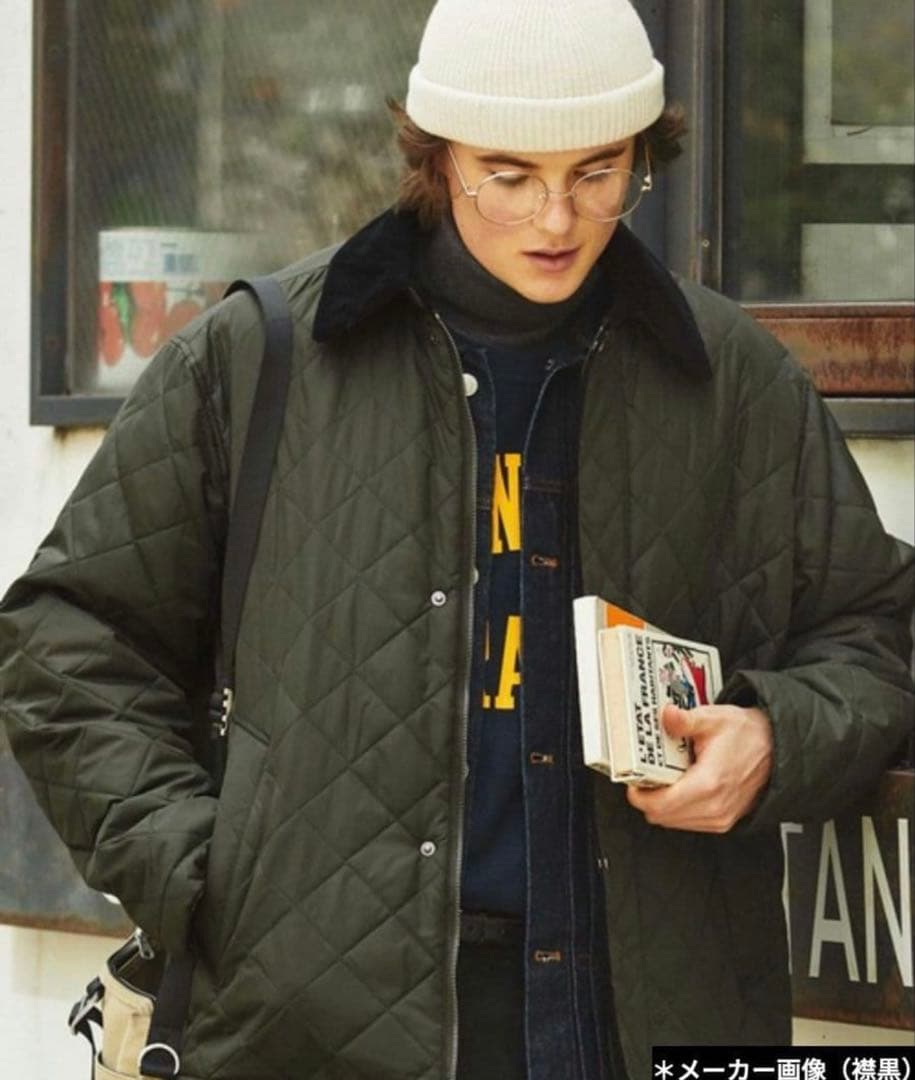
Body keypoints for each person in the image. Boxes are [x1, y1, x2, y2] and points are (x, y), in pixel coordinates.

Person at [1, 0, 912, 1077]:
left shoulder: (733, 378)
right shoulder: (259, 358)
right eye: (508, 175)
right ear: (436, 159)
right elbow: (66, 642)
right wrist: (211, 877)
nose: (557, 218)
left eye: (599, 171)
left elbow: (873, 636)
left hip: (644, 1016)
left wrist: (772, 739)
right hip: (313, 1030)